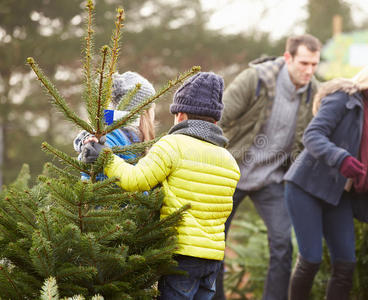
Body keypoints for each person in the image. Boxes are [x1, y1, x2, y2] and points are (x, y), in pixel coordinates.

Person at [80, 72, 241, 300]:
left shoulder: (172, 145)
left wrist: (105, 157)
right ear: (215, 121)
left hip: (181, 254)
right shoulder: (229, 161)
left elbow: (134, 180)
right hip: (213, 258)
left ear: (180, 116)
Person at [283, 57, 368, 299]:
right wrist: (341, 158)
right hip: (307, 187)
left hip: (339, 197)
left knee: (346, 264)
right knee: (312, 259)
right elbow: (313, 135)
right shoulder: (344, 99)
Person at [215, 34, 322, 300]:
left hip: (271, 179)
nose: (309, 70)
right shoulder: (256, 80)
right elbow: (217, 117)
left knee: (283, 244)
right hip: (231, 171)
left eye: (314, 64)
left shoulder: (313, 94)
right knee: (215, 242)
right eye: (304, 63)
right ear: (288, 58)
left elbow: (324, 134)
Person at [73, 71, 156, 175]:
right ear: (144, 112)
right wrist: (92, 146)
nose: (153, 113)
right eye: (152, 108)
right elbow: (93, 155)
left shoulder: (135, 139)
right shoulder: (116, 135)